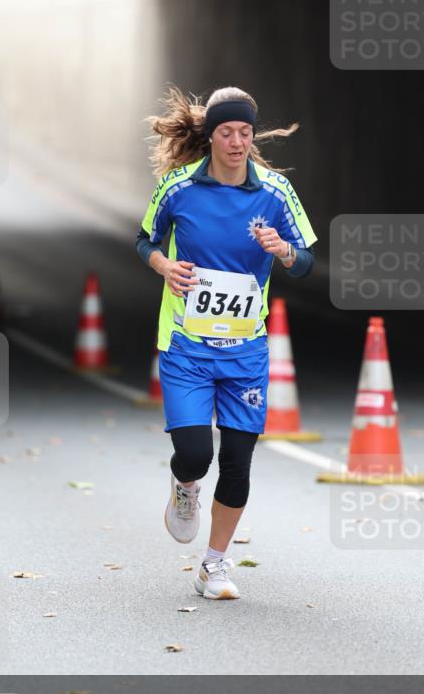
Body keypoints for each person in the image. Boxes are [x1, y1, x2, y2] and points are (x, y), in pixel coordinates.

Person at [136, 86, 317, 600]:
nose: (236, 142)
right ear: (211, 136)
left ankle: (213, 565)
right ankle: (185, 486)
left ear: (252, 136)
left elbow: (304, 261)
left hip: (246, 351)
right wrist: (164, 265)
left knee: (238, 461)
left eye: (244, 132)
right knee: (195, 453)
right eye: (226, 132)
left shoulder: (276, 192)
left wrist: (283, 251)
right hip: (187, 345)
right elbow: (144, 239)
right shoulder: (177, 188)